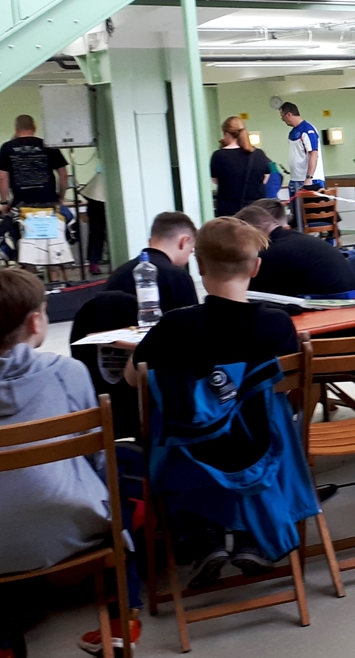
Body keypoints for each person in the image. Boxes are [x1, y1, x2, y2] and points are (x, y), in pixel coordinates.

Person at [0, 269, 130, 658]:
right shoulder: (69, 373)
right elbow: (96, 457)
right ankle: (122, 621)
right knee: (117, 494)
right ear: (35, 321)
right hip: (66, 532)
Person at [125, 218, 307, 584]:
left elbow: (134, 378)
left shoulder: (175, 326)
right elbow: (286, 389)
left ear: (199, 266)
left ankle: (204, 538)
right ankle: (250, 537)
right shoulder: (277, 324)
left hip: (195, 458)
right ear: (255, 267)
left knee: (177, 432)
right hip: (263, 452)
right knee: (264, 419)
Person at [233, 199, 355, 299]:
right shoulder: (300, 240)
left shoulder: (271, 254)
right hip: (351, 300)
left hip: (330, 307)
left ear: (251, 233)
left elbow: (251, 293)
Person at [107, 211, 198, 312]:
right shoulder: (179, 278)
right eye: (191, 250)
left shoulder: (118, 273)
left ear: (150, 241)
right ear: (183, 241)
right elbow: (192, 320)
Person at [0, 114, 67, 209]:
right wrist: (61, 197)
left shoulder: (7, 147)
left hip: (21, 203)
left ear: (16, 129)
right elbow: (63, 174)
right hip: (49, 201)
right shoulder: (48, 146)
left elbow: (2, 177)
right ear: (34, 128)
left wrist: (4, 202)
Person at [209, 116, 271, 217]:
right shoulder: (259, 154)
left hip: (229, 210)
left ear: (226, 134)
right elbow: (265, 179)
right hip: (256, 210)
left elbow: (215, 180)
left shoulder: (218, 156)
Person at [277, 101, 324, 202]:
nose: (283, 120)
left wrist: (309, 177)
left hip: (310, 180)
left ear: (289, 114)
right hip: (295, 179)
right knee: (295, 210)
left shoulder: (307, 129)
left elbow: (314, 154)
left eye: (282, 117)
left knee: (310, 210)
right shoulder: (292, 132)